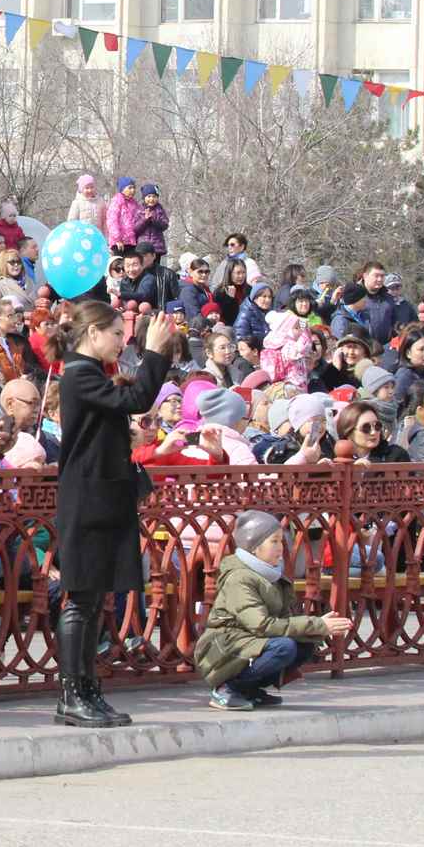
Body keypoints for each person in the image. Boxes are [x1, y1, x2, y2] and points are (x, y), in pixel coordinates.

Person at [53, 300, 175, 728]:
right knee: (81, 599)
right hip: (86, 499)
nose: (121, 342)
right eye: (117, 333)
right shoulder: (78, 372)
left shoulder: (90, 373)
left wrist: (125, 435)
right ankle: (71, 694)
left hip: (103, 495)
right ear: (93, 333)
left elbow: (108, 421)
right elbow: (136, 397)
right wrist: (155, 351)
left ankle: (88, 689)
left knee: (94, 601)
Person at [196, 510, 351, 711]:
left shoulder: (269, 575)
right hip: (224, 648)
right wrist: (316, 624)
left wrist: (316, 628)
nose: (281, 547)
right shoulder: (240, 578)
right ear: (254, 547)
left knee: (305, 642)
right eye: (274, 542)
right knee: (283, 647)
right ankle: (228, 688)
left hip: (247, 640)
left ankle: (249, 689)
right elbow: (261, 625)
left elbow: (283, 620)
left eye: (281, 541)